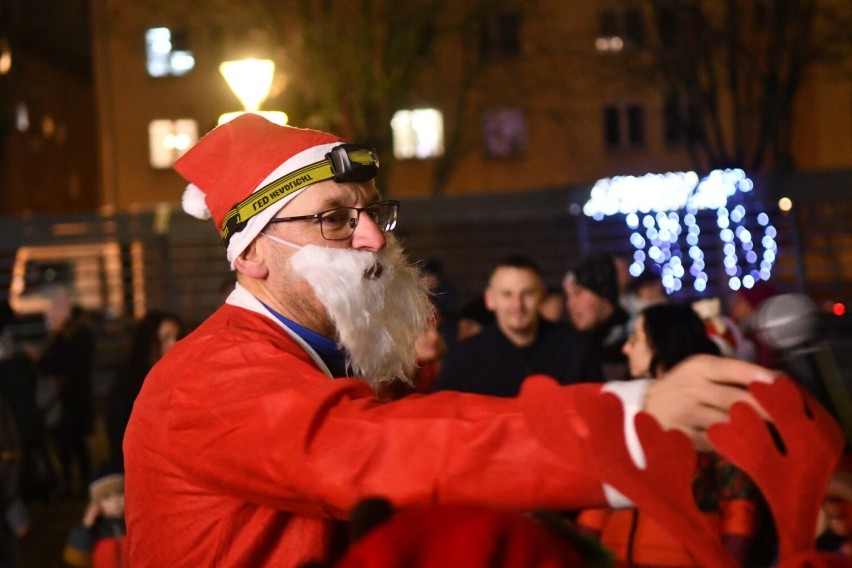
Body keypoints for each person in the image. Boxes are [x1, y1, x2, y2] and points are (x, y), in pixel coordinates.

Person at [123, 113, 776, 567]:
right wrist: (628, 425)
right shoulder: (210, 376)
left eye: (373, 212)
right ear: (253, 255)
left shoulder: (318, 357)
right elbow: (378, 454)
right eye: (333, 219)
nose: (374, 237)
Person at [577, 303, 767, 567]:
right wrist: (580, 552)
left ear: (663, 343)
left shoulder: (713, 406)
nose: (625, 348)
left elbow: (739, 503)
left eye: (636, 338)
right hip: (616, 556)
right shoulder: (624, 407)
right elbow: (602, 494)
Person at [434, 255, 602, 397]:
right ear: (490, 299)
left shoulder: (577, 350)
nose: (517, 305)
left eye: (527, 294)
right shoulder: (463, 359)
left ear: (542, 296)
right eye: (507, 294)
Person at [104, 310, 183, 468]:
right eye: (166, 337)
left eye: (177, 337)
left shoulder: (180, 377)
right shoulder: (129, 382)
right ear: (149, 341)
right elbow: (120, 431)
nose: (174, 344)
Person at [38, 286, 95, 498]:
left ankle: (83, 481)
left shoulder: (78, 337)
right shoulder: (60, 337)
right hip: (65, 400)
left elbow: (72, 365)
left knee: (76, 443)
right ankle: (72, 481)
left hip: (73, 399)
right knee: (65, 443)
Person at [563, 252, 631, 380]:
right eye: (568, 296)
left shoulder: (634, 340)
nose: (570, 304)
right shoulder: (568, 346)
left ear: (604, 291)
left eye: (578, 293)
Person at [63, 467, 128, 568]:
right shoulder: (93, 529)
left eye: (120, 494)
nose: (116, 502)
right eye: (107, 497)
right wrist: (86, 525)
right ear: (96, 504)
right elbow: (74, 559)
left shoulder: (134, 524)